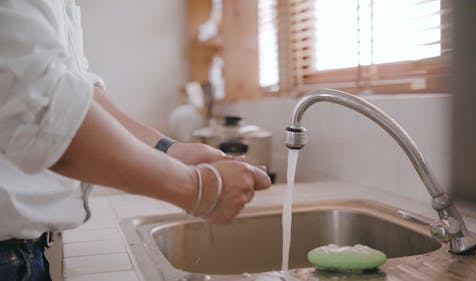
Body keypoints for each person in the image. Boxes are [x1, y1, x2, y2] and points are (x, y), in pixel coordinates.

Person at [0, 1, 272, 280]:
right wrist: (197, 188)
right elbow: (43, 113)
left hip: (21, 254)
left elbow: (74, 88)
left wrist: (170, 150)